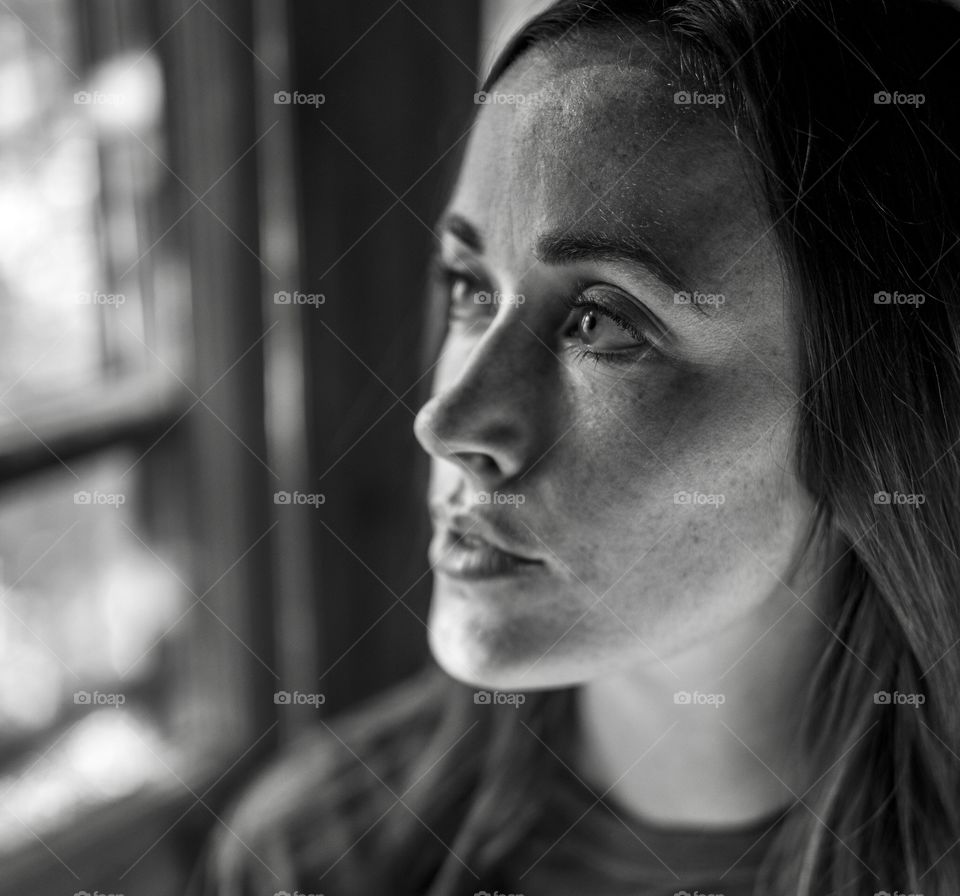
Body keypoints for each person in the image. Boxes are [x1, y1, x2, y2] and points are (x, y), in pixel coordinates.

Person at [190, 1, 960, 893]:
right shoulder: (309, 859)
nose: (447, 422)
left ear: (887, 405)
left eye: (602, 321)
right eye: (471, 289)